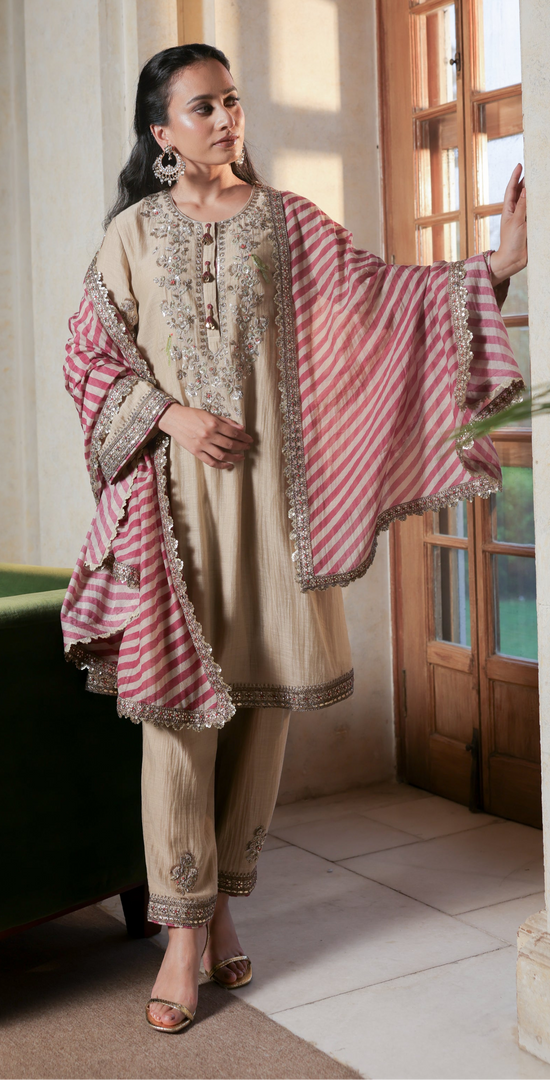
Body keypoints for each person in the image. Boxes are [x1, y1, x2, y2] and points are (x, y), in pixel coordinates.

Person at [61, 44, 528, 1033]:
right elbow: (89, 357)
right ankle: (182, 932)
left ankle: (223, 907)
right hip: (175, 511)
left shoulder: (290, 224)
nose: (226, 118)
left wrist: (496, 265)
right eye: (203, 107)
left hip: (279, 509)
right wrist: (174, 416)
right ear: (161, 132)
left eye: (232, 101)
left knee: (263, 705)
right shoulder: (133, 235)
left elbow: (390, 304)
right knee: (176, 722)